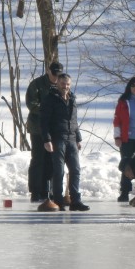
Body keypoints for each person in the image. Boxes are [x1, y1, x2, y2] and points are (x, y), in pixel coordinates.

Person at [40, 73, 89, 212]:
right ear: (57, 83)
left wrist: (78, 138)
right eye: (63, 83)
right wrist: (47, 139)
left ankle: (75, 201)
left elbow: (74, 121)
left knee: (75, 170)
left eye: (67, 84)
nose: (65, 86)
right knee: (59, 172)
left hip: (72, 139)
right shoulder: (50, 99)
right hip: (57, 139)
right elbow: (44, 122)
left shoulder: (72, 98)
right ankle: (58, 201)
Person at [26, 61, 63, 203]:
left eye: (58, 75)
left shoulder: (61, 84)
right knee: (38, 159)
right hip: (38, 128)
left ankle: (50, 190)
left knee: (52, 160)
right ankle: (35, 191)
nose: (56, 77)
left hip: (55, 129)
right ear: (48, 71)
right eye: (54, 74)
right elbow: (31, 104)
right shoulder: (36, 84)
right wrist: (47, 110)